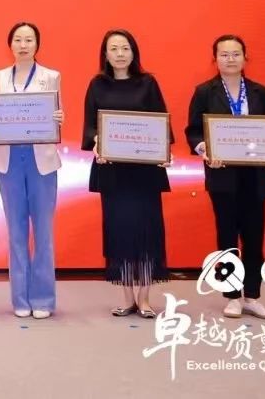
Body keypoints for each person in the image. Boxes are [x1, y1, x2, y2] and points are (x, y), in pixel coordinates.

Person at [186, 34, 265, 320]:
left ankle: (252, 296)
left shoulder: (260, 92)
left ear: (245, 57)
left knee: (254, 238)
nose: (230, 59)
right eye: (224, 54)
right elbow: (193, 131)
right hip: (222, 175)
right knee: (227, 237)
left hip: (255, 175)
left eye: (236, 54)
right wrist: (205, 149)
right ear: (215, 59)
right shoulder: (205, 92)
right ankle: (232, 296)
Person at [80, 28, 173, 319]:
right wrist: (97, 141)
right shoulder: (97, 85)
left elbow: (161, 122)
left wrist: (162, 150)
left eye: (125, 48)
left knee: (147, 231)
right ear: (105, 54)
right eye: (114, 49)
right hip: (113, 172)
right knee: (119, 231)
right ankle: (126, 297)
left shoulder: (148, 83)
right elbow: (90, 125)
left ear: (134, 52)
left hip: (145, 172)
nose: (120, 54)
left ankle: (144, 299)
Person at [0, 21, 64, 320]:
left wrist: (58, 118)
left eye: (29, 39)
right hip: (8, 160)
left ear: (37, 44)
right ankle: (20, 297)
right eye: (18, 39)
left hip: (41, 160)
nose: (23, 45)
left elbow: (55, 117)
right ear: (10, 44)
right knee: (16, 232)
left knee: (43, 232)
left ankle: (43, 298)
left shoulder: (51, 77)